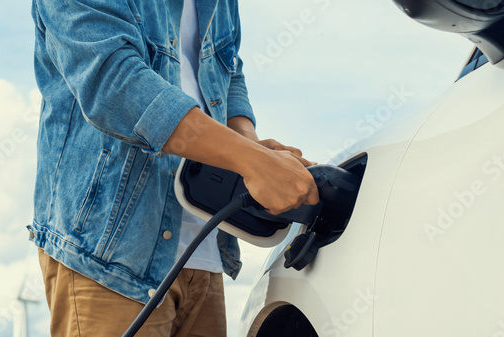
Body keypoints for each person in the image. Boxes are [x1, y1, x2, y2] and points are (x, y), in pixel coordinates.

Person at [28, 0, 318, 335]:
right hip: (111, 258)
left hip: (205, 247)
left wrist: (249, 145)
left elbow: (230, 73)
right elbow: (114, 84)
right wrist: (251, 160)